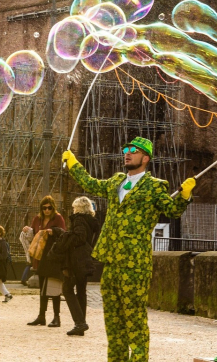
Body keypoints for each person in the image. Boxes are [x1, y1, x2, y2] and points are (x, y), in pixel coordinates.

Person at [62, 137, 194, 361]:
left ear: (145, 158)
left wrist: (184, 195)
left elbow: (172, 210)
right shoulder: (117, 180)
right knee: (113, 322)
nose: (128, 153)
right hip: (111, 261)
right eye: (126, 149)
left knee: (134, 319)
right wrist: (74, 165)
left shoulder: (155, 186)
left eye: (134, 150)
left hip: (135, 263)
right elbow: (91, 184)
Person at [56, 196, 100, 336]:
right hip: (86, 258)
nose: (73, 210)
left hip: (76, 259)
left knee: (67, 288)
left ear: (79, 208)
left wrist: (67, 236)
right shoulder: (92, 221)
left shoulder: (79, 219)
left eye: (75, 207)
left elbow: (79, 237)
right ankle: (81, 323)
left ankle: (80, 322)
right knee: (81, 290)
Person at [26, 195, 66, 328]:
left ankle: (56, 317)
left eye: (49, 208)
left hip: (53, 258)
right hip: (40, 257)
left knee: (54, 288)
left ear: (53, 208)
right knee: (42, 288)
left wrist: (53, 231)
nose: (47, 210)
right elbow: (32, 235)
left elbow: (64, 234)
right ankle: (41, 316)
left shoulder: (58, 218)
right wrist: (27, 231)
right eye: (44, 208)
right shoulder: (37, 219)